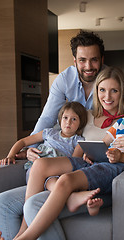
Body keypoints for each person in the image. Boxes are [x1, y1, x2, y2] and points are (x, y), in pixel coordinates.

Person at [7, 89, 124, 240]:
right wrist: (90, 152)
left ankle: (25, 238)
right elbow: (104, 142)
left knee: (65, 180)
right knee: (40, 165)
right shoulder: (120, 125)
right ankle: (22, 230)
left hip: (115, 167)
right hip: (97, 160)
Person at [17, 30, 105, 161]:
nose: (88, 66)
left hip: (95, 140)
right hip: (67, 141)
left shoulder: (110, 80)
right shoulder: (64, 79)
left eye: (94, 60)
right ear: (74, 61)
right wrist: (30, 148)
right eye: (82, 60)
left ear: (102, 60)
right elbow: (47, 117)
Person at [0, 101, 88, 182]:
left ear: (81, 123)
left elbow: (73, 163)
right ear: (60, 119)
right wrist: (10, 155)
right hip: (36, 170)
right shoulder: (49, 132)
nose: (68, 122)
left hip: (57, 172)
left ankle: (68, 195)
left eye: (74, 119)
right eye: (65, 117)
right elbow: (23, 142)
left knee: (52, 181)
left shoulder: (79, 141)